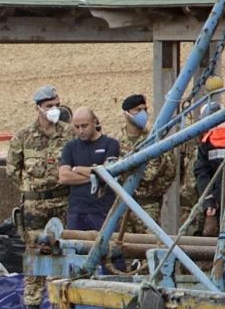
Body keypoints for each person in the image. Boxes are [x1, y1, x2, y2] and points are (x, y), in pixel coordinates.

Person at [6, 85, 69, 309]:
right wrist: (31, 189)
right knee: (34, 253)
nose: (53, 110)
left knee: (59, 253)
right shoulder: (23, 136)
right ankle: (32, 304)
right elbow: (12, 170)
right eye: (48, 106)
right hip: (34, 205)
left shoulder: (68, 133)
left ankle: (56, 303)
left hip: (62, 202)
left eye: (56, 105)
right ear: (38, 109)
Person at [116, 94, 178, 234]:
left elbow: (162, 172)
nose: (143, 114)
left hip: (148, 204)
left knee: (147, 245)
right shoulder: (116, 143)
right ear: (126, 114)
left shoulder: (154, 141)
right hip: (122, 204)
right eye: (137, 110)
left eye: (145, 109)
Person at [58, 107, 124, 232]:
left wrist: (76, 168)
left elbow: (108, 173)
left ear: (94, 122)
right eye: (76, 127)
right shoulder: (70, 147)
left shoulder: (110, 144)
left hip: (102, 209)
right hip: (77, 211)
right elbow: (64, 177)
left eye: (84, 126)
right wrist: (94, 175)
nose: (81, 131)